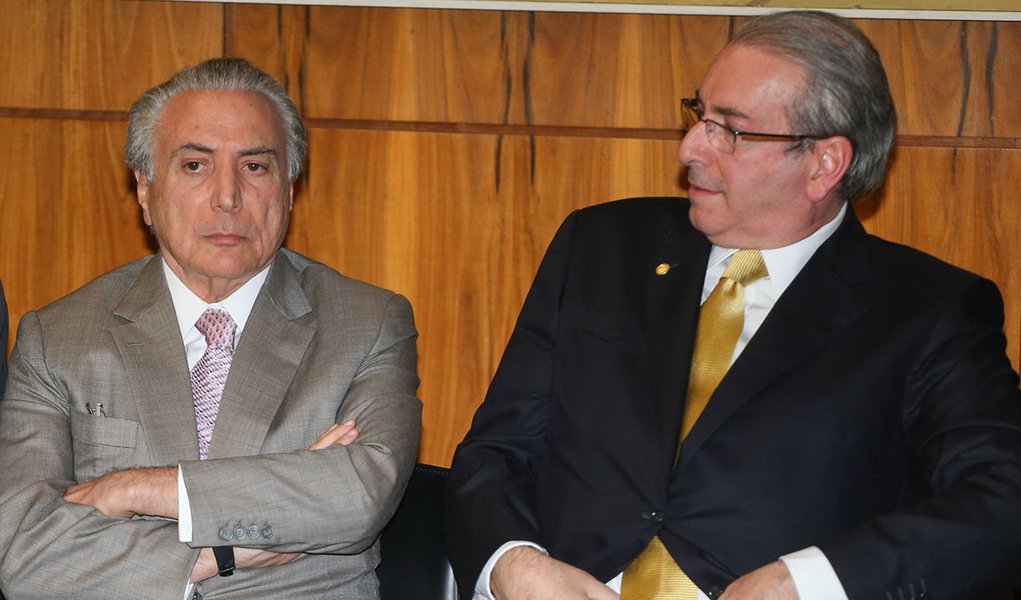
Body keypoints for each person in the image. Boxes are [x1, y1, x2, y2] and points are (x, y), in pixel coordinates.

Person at [445, 10, 1021, 600]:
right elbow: (497, 450)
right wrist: (515, 567)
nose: (690, 146)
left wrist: (808, 582)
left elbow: (1002, 501)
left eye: (732, 129)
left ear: (824, 163)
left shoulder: (928, 310)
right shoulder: (601, 246)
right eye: (699, 114)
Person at [0, 58, 421, 599]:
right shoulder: (57, 337)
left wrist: (133, 488)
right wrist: (218, 552)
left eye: (255, 167)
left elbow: (361, 494)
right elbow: (22, 552)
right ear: (145, 190)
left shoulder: (367, 324)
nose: (228, 197)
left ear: (289, 190)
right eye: (195, 165)